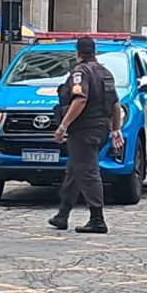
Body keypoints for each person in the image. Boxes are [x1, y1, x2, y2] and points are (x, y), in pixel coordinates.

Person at [48, 37, 124, 234]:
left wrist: (63, 126)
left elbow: (80, 99)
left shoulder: (80, 72)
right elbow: (115, 104)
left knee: (89, 172)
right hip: (101, 129)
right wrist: (116, 129)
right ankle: (62, 215)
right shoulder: (105, 72)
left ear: (78, 53)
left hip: (84, 130)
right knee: (75, 170)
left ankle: (97, 219)